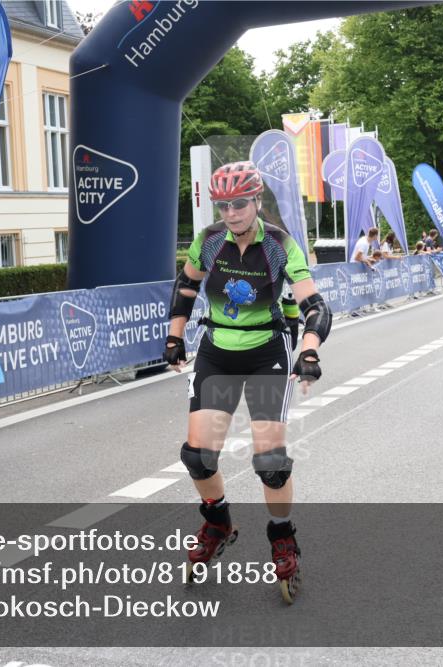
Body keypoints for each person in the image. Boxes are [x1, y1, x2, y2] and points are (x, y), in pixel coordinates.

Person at [164, 161, 331, 603]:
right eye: (223, 205)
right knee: (198, 456)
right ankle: (217, 522)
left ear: (257, 200)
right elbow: (186, 286)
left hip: (265, 353)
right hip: (217, 353)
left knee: (271, 462)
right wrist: (175, 337)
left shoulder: (279, 244)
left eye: (239, 203)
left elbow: (314, 306)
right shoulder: (208, 240)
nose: (232, 212)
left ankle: (282, 535)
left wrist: (309, 349)